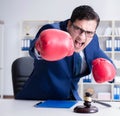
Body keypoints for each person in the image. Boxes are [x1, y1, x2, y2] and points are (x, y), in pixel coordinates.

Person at [15, 5, 116, 100]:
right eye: (78, 29)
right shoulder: (52, 30)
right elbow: (33, 50)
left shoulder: (92, 40)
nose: (82, 37)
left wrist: (110, 75)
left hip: (70, 100)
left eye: (89, 32)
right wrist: (40, 48)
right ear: (69, 24)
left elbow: (108, 63)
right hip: (38, 100)